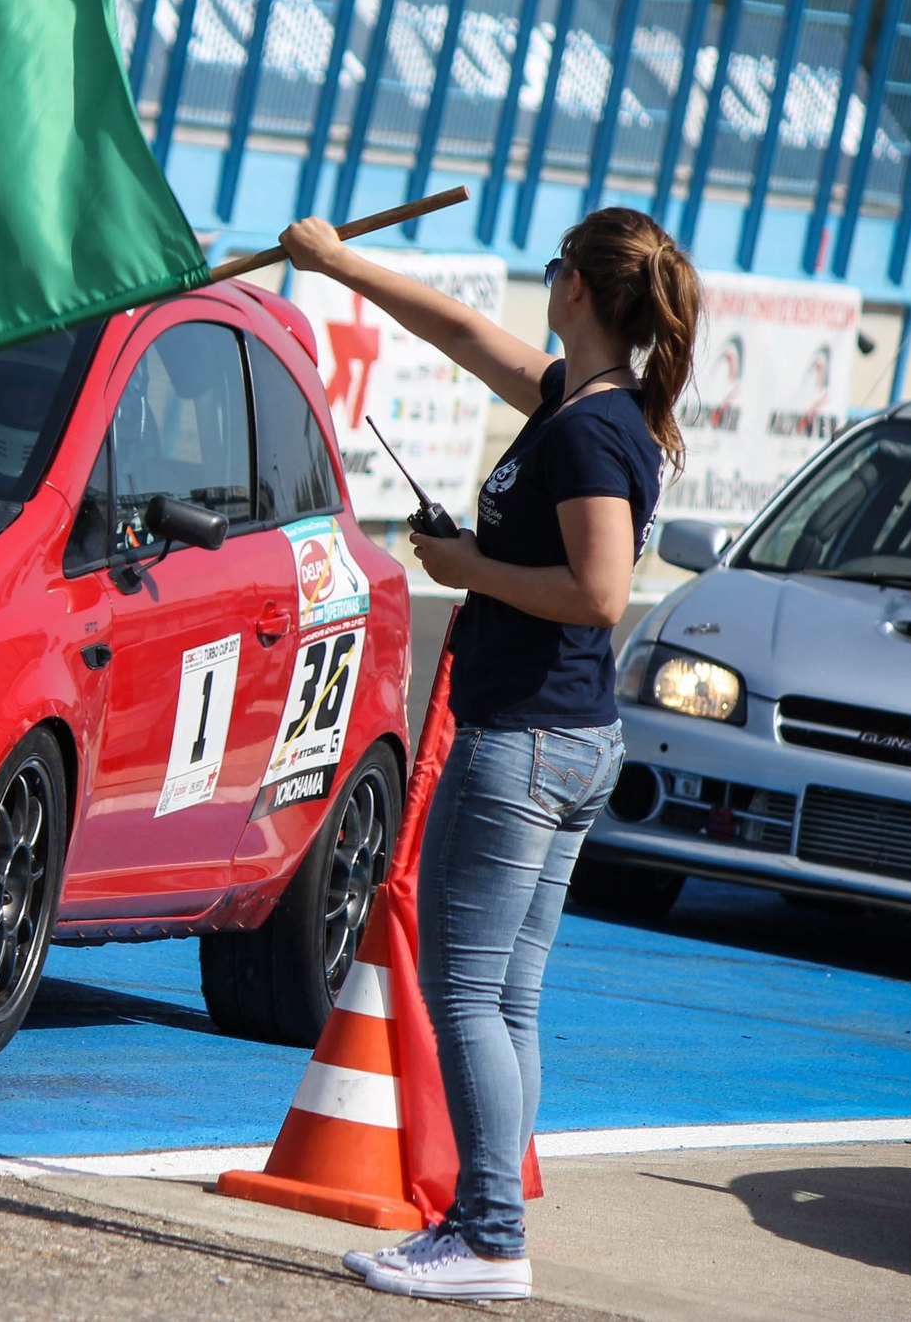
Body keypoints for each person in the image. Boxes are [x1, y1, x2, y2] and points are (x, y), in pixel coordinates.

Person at [278, 205, 700, 1303]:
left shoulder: (589, 430)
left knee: (464, 991)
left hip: (529, 740)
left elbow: (599, 594)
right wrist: (338, 267)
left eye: (555, 267)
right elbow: (464, 334)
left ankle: (485, 1233)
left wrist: (468, 570)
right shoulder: (587, 402)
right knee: (505, 998)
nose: (541, 283)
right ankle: (489, 1221)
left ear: (575, 289)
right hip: (560, 739)